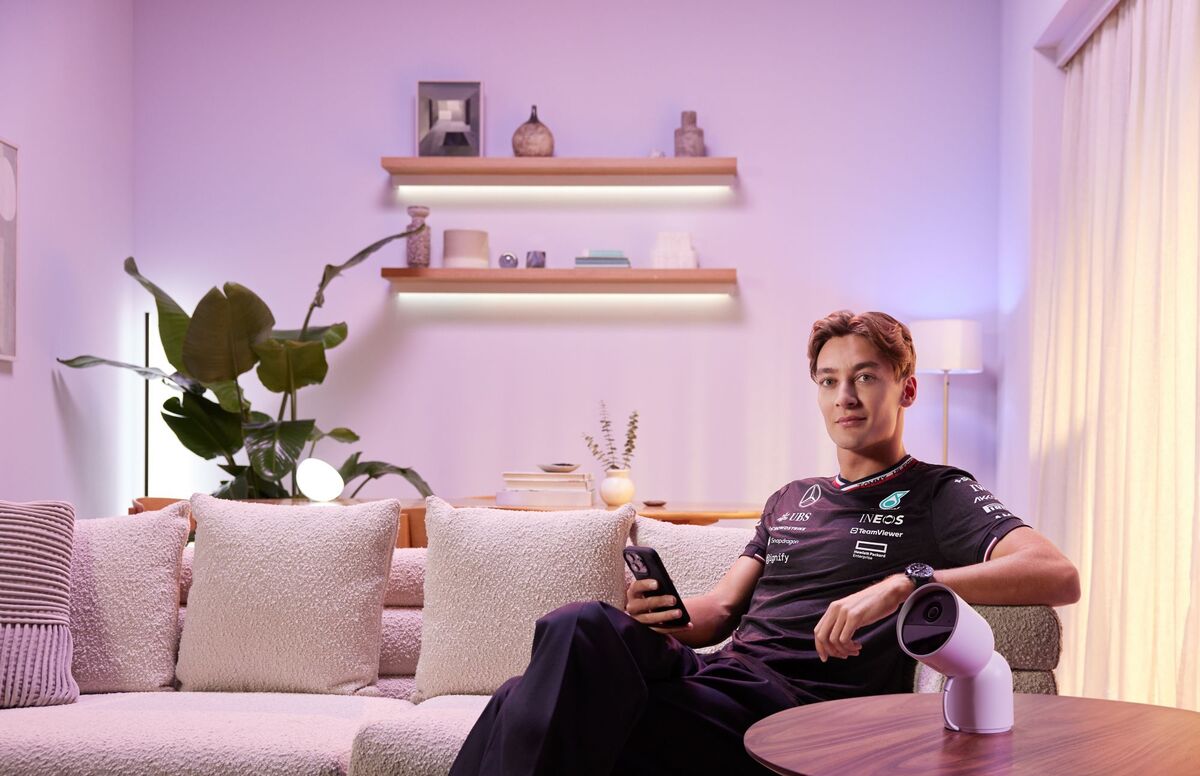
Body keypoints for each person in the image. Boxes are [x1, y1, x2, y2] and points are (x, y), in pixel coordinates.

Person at [449, 310, 1080, 776]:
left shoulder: (938, 493)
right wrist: (662, 615)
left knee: (533, 684)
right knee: (577, 635)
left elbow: (1056, 573)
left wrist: (903, 584)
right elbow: (721, 609)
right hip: (722, 678)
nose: (845, 397)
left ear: (906, 389)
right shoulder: (791, 498)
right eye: (828, 381)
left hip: (798, 707)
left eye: (865, 377)